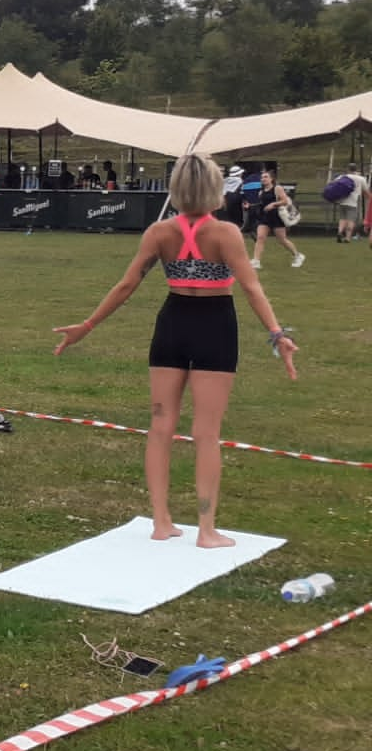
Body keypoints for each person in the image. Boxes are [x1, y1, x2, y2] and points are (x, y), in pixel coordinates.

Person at [52, 154, 298, 548]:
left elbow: (126, 285)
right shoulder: (226, 234)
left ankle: (162, 522)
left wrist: (88, 325)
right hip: (215, 325)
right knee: (206, 432)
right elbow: (252, 288)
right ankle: (206, 530)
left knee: (161, 425)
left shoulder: (158, 232)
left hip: (172, 323)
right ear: (215, 189)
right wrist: (276, 333)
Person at [250, 169, 304, 269]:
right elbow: (262, 205)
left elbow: (285, 201)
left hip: (277, 217)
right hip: (265, 218)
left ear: (271, 179)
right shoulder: (261, 192)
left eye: (266, 177)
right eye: (262, 177)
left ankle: (297, 256)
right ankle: (256, 261)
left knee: (282, 240)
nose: (263, 179)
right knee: (260, 237)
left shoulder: (277, 188)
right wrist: (250, 205)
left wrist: (273, 204)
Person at [336, 162, 367, 243]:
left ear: (348, 169)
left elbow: (334, 185)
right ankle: (347, 238)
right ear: (356, 169)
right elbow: (365, 190)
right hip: (353, 202)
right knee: (351, 220)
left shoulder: (342, 177)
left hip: (342, 201)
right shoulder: (360, 178)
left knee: (342, 219)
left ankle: (339, 232)